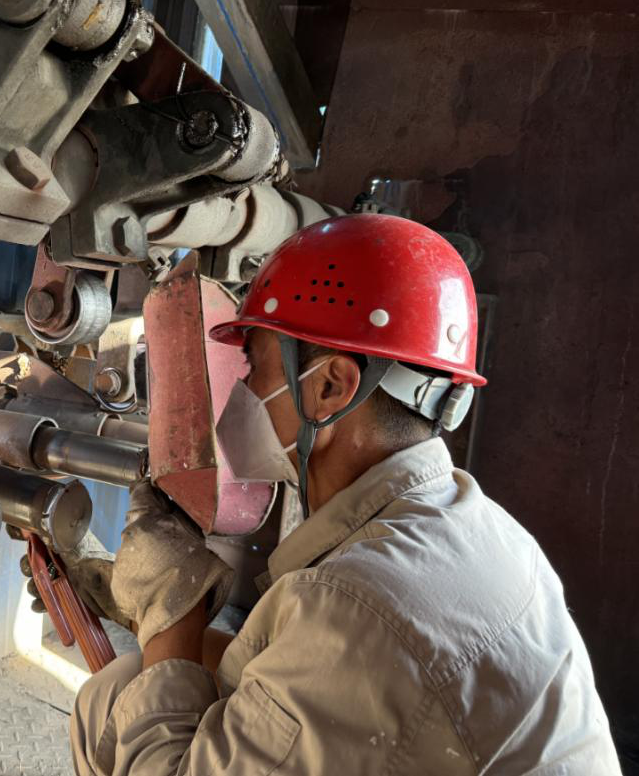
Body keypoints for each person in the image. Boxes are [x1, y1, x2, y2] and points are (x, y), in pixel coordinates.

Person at [32, 215, 621, 774]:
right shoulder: (479, 526)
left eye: (253, 366)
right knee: (125, 685)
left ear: (329, 387)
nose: (242, 390)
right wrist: (145, 610)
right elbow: (280, 673)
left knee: (116, 708)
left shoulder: (359, 608)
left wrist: (170, 603)